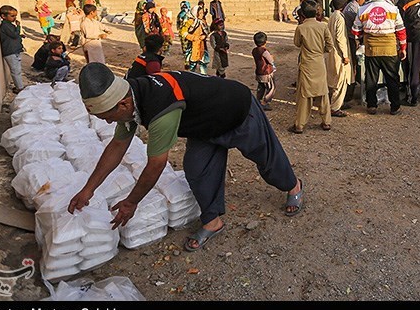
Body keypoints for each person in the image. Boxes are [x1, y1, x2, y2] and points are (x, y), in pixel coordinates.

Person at [68, 63, 304, 252]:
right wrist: (88, 190)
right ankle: (213, 221)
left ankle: (293, 187)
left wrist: (131, 203)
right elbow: (117, 146)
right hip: (204, 125)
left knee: (266, 158)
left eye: (108, 117)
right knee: (197, 170)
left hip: (236, 110)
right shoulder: (131, 98)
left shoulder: (160, 109)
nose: (109, 122)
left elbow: (156, 164)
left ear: (123, 104)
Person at [352, 0, 407, 116]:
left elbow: (355, 31)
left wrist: (360, 40)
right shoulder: (393, 9)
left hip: (371, 49)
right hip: (390, 49)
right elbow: (401, 30)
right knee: (392, 79)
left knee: (371, 79)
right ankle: (395, 107)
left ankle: (372, 106)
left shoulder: (362, 9)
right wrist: (403, 48)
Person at [290, 0, 334, 133]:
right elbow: (330, 46)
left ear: (302, 13)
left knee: (304, 94)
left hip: (306, 64)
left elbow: (297, 43)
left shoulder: (301, 28)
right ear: (317, 12)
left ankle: (299, 125)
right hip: (319, 63)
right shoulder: (323, 26)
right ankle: (326, 122)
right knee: (323, 92)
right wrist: (321, 51)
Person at [327, 0, 353, 117]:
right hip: (339, 53)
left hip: (332, 52)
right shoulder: (340, 18)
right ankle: (335, 107)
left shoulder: (332, 16)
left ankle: (336, 103)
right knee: (340, 81)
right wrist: (345, 56)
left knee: (334, 79)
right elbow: (340, 38)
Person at [342, 0, 368, 107]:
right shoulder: (354, 8)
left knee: (355, 67)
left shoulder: (352, 6)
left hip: (352, 39)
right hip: (351, 40)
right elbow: (358, 26)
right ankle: (349, 94)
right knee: (353, 67)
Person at [0, 5, 25, 93]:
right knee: (15, 71)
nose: (14, 18)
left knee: (17, 70)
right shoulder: (5, 26)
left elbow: (13, 35)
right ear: (3, 16)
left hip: (14, 51)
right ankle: (19, 88)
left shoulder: (9, 25)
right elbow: (13, 35)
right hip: (10, 52)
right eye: (12, 16)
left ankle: (19, 86)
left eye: (15, 16)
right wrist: (18, 27)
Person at [252, 32, 276, 111]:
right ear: (265, 41)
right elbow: (270, 60)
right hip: (266, 73)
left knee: (261, 87)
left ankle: (258, 101)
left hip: (259, 72)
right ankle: (265, 102)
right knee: (271, 88)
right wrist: (272, 57)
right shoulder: (264, 51)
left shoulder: (254, 50)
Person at [185, 5, 210, 74]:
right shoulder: (190, 22)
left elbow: (207, 31)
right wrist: (193, 38)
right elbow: (183, 33)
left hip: (202, 45)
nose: (202, 15)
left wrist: (204, 36)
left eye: (202, 13)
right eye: (200, 13)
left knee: (203, 63)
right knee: (192, 64)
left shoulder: (203, 22)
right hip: (193, 45)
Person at [176, 1, 193, 67]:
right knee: (188, 47)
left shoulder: (180, 14)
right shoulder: (188, 14)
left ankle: (187, 61)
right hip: (187, 33)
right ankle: (188, 62)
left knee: (185, 48)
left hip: (183, 33)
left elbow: (178, 26)